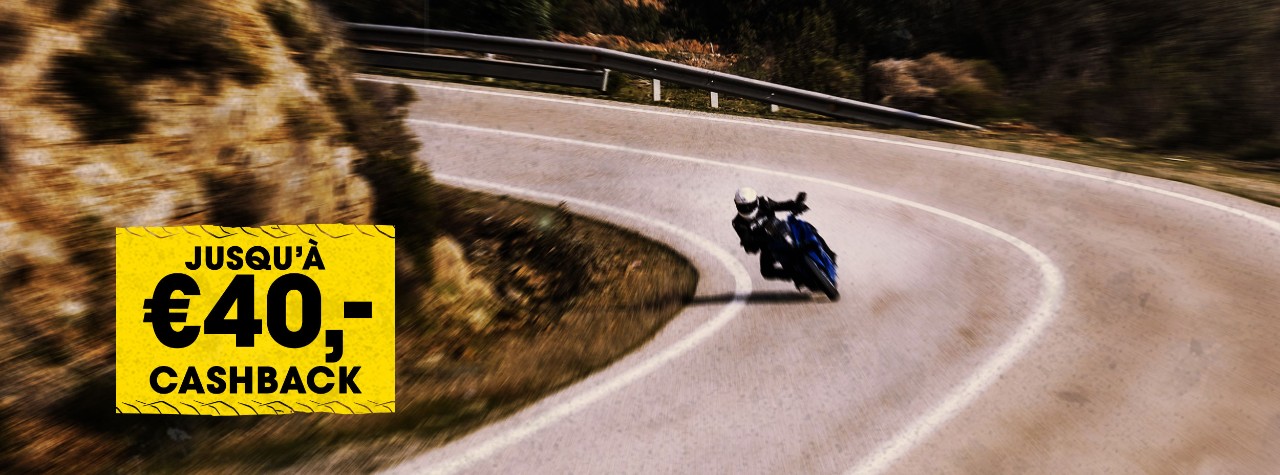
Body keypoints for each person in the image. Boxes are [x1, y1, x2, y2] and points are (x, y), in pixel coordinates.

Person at [732, 187, 835, 282]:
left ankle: (829, 254)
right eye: (743, 207)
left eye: (749, 205)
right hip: (767, 244)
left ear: (756, 201)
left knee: (805, 227)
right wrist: (750, 244)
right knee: (766, 272)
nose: (747, 209)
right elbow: (747, 239)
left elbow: (780, 205)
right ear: (736, 205)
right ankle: (800, 278)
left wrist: (796, 204)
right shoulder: (738, 223)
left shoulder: (764, 202)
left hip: (781, 229)